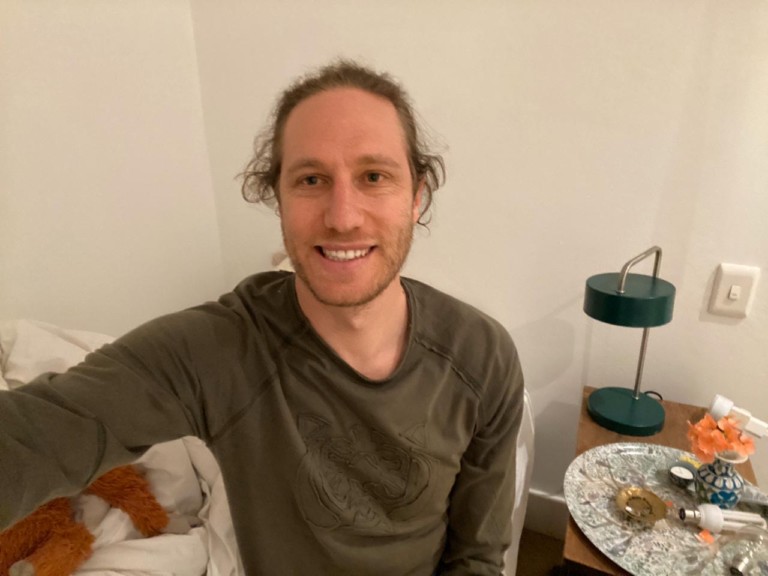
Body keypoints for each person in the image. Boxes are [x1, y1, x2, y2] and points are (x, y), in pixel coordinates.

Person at [0, 60, 525, 575]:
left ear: (416, 197)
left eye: (374, 176)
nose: (343, 217)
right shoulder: (219, 351)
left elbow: (477, 555)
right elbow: (36, 435)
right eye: (311, 179)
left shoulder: (482, 357)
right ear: (278, 199)